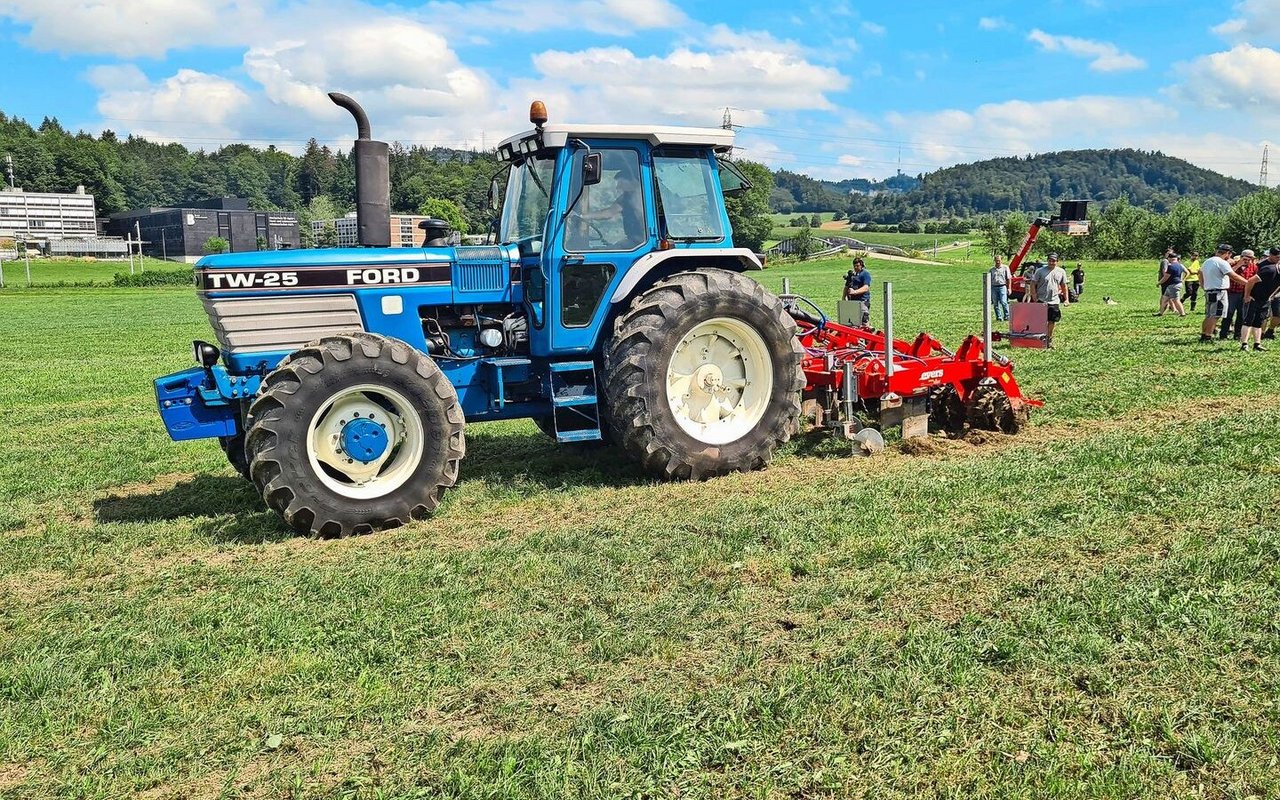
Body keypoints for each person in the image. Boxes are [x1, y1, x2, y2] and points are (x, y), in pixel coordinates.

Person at [1200, 243, 1247, 342]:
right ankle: (1208, 336)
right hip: (1218, 291)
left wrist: (1203, 285)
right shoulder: (1222, 262)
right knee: (1216, 315)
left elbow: (1200, 273)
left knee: (1209, 314)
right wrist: (1248, 283)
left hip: (1209, 290)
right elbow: (1233, 276)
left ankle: (1204, 334)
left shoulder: (1207, 261)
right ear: (1228, 253)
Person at [1240, 246, 1280, 351]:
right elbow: (1250, 281)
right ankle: (1244, 344)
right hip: (1254, 298)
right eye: (1277, 256)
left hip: (1265, 299)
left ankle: (1257, 344)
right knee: (1248, 321)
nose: (1278, 258)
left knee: (1259, 322)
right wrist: (1247, 296)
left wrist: (1271, 296)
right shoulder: (1268, 269)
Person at [1028, 252, 1068, 347]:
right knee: (1039, 321)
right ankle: (1037, 339)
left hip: (1054, 301)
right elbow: (1033, 283)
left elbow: (1064, 285)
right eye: (1050, 260)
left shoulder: (1061, 272)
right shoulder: (1040, 271)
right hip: (1041, 300)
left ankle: (1048, 340)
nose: (1051, 262)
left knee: (1052, 321)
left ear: (1057, 262)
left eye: (1053, 261)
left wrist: (1066, 299)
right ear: (1047, 261)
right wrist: (1034, 295)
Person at [843, 256, 872, 326]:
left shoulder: (865, 274)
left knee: (864, 321)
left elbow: (866, 287)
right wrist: (843, 297)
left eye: (857, 266)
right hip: (853, 302)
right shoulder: (852, 275)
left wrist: (854, 292)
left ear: (861, 265)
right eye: (854, 266)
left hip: (862, 301)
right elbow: (846, 287)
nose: (855, 267)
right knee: (852, 322)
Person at [988, 254, 1011, 321]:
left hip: (1002, 286)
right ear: (994, 261)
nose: (998, 262)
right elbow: (989, 280)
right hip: (994, 287)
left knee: (1004, 302)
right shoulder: (991, 270)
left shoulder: (1005, 268)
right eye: (996, 260)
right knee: (995, 303)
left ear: (1001, 260)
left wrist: (1009, 288)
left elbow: (1009, 278)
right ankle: (999, 317)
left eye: (999, 260)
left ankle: (1007, 316)